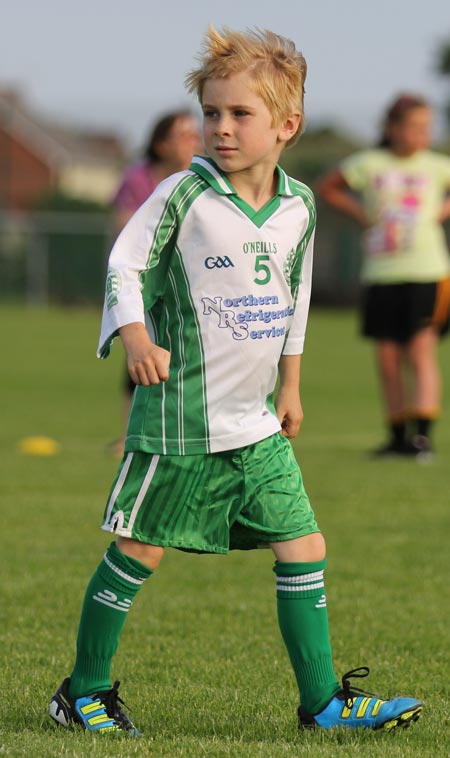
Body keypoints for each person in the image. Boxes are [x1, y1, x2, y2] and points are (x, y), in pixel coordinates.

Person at [49, 26, 423, 736]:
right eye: (212, 113)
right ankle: (82, 692)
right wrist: (134, 335)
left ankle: (323, 707)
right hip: (179, 420)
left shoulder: (300, 207)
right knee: (139, 549)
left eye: (239, 114)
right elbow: (125, 266)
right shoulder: (181, 195)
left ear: (287, 125)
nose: (220, 128)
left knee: (304, 545)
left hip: (254, 422)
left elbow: (295, 297)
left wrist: (292, 385)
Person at [317, 94, 450, 459]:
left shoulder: (437, 166)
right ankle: (396, 437)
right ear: (392, 128)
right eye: (414, 126)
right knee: (388, 358)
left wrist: (442, 209)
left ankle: (422, 439)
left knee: (421, 351)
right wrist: (360, 213)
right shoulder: (369, 163)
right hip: (382, 272)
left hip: (428, 271)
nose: (422, 133)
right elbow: (328, 187)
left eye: (427, 126)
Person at [109, 111, 201, 457]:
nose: (194, 140)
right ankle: (131, 434)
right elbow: (126, 234)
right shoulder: (139, 178)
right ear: (161, 144)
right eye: (183, 135)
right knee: (139, 355)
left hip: (190, 281)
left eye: (195, 133)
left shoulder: (200, 179)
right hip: (148, 282)